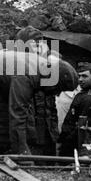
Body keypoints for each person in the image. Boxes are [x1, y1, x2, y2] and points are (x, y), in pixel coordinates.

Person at [0, 49, 79, 162]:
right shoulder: (26, 76)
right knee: (1, 125)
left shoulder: (41, 67)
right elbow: (17, 114)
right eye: (58, 89)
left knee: (0, 118)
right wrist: (23, 153)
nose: (57, 94)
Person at [15, 26, 59, 156]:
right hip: (30, 138)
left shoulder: (45, 66)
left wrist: (55, 133)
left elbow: (51, 105)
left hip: (49, 135)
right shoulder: (17, 68)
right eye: (35, 44)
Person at [58, 62, 91, 156]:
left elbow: (80, 127)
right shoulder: (84, 93)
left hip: (72, 143)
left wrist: (66, 145)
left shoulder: (89, 97)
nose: (80, 79)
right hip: (69, 138)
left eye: (84, 76)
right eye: (79, 76)